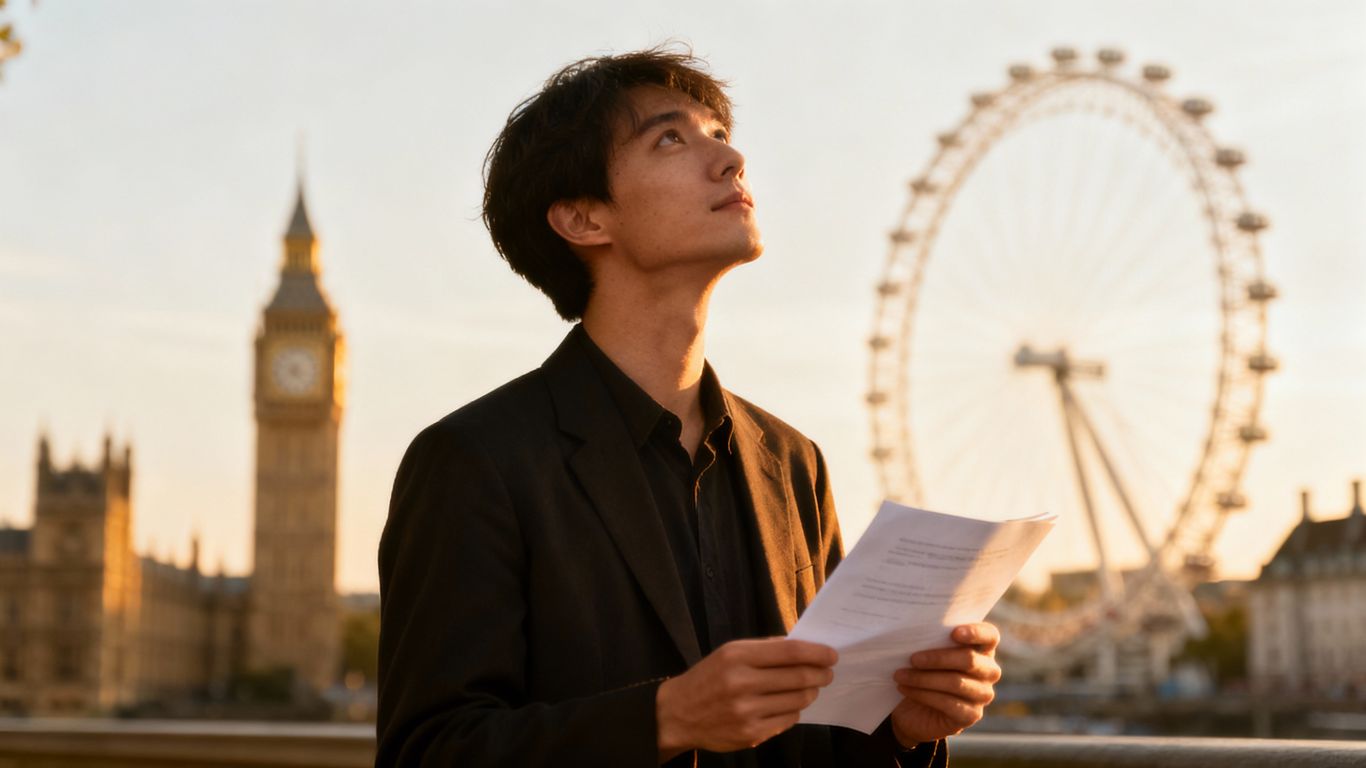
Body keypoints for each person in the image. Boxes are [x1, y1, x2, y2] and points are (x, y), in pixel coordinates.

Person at [376, 46, 1000, 767]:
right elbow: (427, 752)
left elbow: (818, 744)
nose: (730, 159)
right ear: (583, 219)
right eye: (670, 138)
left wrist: (903, 729)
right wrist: (662, 719)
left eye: (719, 133)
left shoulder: (794, 464)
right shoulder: (475, 460)